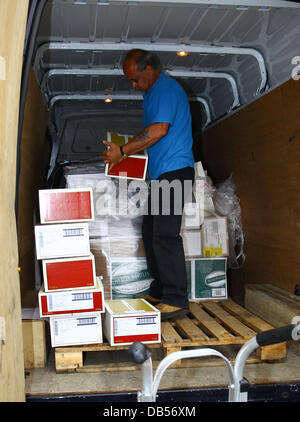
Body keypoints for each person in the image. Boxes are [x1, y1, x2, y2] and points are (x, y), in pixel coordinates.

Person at [102, 49, 194, 320]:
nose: (133, 85)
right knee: (150, 231)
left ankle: (176, 299)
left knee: (165, 235)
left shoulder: (165, 89)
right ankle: (159, 289)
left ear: (150, 69)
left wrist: (123, 151)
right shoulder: (151, 94)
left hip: (174, 172)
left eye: (135, 79)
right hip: (160, 176)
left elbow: (158, 130)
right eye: (129, 81)